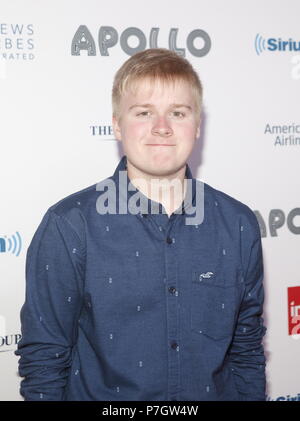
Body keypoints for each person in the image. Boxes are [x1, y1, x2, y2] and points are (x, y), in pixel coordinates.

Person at [16, 48, 267, 401]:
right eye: (144, 112)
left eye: (177, 113)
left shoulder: (237, 224)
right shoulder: (70, 225)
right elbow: (44, 360)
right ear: (117, 124)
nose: (161, 127)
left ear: (197, 126)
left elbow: (247, 351)